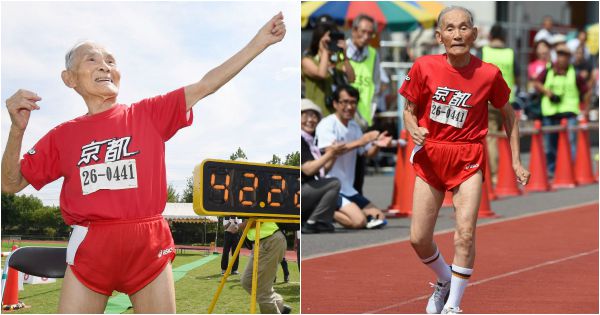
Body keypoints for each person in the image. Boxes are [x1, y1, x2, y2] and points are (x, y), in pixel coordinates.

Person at [1, 13, 285, 313]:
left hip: (149, 245)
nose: (105, 66)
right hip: (91, 247)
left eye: (111, 61)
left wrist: (260, 42)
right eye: (92, 60)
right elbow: (10, 183)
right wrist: (16, 130)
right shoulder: (62, 136)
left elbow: (206, 85)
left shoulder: (147, 114)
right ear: (69, 78)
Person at [398, 7, 530, 314]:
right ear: (439, 36)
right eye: (450, 29)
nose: (457, 35)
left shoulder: (489, 73)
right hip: (432, 155)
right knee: (418, 238)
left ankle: (453, 307)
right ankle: (445, 280)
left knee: (466, 232)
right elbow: (409, 108)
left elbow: (509, 116)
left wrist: (516, 162)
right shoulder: (423, 67)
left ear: (474, 33)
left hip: (468, 155)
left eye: (463, 28)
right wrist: (412, 127)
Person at [316, 85, 392, 229]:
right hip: (329, 188)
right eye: (344, 102)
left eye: (353, 102)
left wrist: (378, 144)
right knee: (359, 222)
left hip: (348, 189)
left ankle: (340, 211)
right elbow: (331, 151)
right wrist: (362, 141)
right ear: (335, 104)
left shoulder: (354, 127)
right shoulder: (327, 124)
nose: (349, 107)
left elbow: (367, 153)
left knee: (380, 217)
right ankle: (316, 210)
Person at [534, 42, 591, 175]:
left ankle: (570, 170)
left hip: (569, 113)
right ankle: (552, 170)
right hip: (550, 113)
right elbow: (536, 82)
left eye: (565, 55)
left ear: (569, 58)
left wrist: (586, 110)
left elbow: (586, 91)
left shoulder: (574, 73)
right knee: (550, 145)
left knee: (571, 143)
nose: (561, 58)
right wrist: (547, 92)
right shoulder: (548, 70)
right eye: (559, 54)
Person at [480, 24, 520, 184]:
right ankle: (509, 173)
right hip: (508, 99)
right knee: (508, 136)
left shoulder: (484, 51)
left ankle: (495, 175)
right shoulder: (510, 53)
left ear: (490, 36)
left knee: (491, 138)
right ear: (504, 37)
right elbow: (517, 77)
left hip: (488, 99)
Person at [300, 98, 344, 233]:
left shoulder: (311, 140)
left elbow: (322, 170)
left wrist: (335, 153)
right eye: (306, 115)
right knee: (334, 183)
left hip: (309, 188)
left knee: (334, 190)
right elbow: (308, 169)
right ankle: (314, 221)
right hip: (299, 190)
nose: (311, 120)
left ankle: (317, 220)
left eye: (314, 116)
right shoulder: (299, 139)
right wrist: (330, 153)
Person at [302, 21, 355, 115]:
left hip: (335, 116)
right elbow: (321, 74)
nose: (330, 42)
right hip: (316, 115)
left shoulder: (337, 63)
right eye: (328, 40)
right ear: (318, 40)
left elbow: (352, 78)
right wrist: (325, 50)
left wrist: (345, 55)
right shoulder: (307, 61)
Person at [239, 220, 291, 314]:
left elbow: (256, 219)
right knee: (247, 282)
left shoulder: (254, 205)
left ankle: (276, 307)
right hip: (260, 243)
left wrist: (237, 226)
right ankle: (279, 305)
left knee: (262, 290)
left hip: (269, 241)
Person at [346, 14, 381, 127]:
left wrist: (371, 112)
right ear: (354, 31)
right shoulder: (341, 49)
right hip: (342, 117)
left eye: (370, 33)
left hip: (363, 120)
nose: (366, 36)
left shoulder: (373, 54)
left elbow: (376, 86)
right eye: (363, 31)